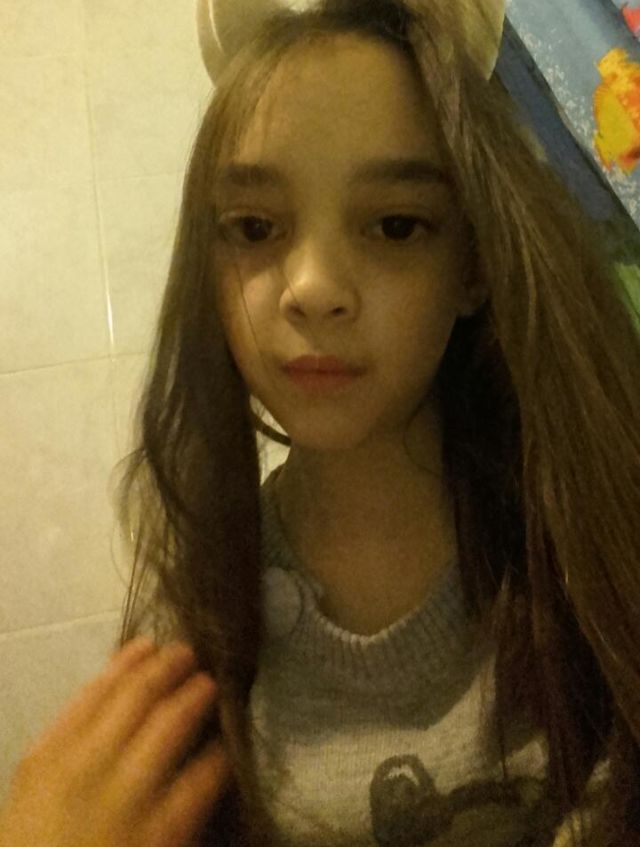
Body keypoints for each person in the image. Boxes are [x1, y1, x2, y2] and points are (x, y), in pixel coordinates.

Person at [2, 1, 640, 845]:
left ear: (473, 266)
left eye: (395, 225)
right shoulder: (202, 608)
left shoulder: (591, 544)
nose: (312, 288)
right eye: (255, 228)